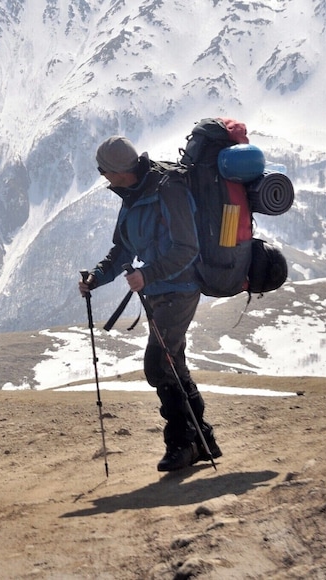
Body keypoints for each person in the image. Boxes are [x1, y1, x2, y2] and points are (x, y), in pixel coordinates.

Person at [79, 135, 223, 472]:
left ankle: (181, 445)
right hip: (159, 291)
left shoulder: (167, 190)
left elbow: (187, 249)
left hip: (180, 288)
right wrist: (96, 278)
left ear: (117, 171)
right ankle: (203, 439)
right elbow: (122, 250)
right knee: (173, 365)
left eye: (104, 172)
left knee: (159, 364)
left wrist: (148, 274)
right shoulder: (132, 196)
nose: (103, 178)